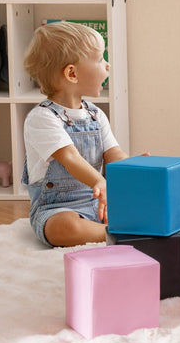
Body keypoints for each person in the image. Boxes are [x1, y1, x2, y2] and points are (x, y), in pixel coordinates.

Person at [22, 21, 128, 247]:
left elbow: (113, 154)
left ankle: (108, 227)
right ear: (72, 73)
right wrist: (99, 181)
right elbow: (70, 158)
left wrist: (134, 169)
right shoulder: (41, 118)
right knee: (64, 228)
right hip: (56, 208)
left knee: (144, 202)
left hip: (99, 201)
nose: (107, 65)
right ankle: (113, 233)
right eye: (100, 59)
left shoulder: (95, 114)